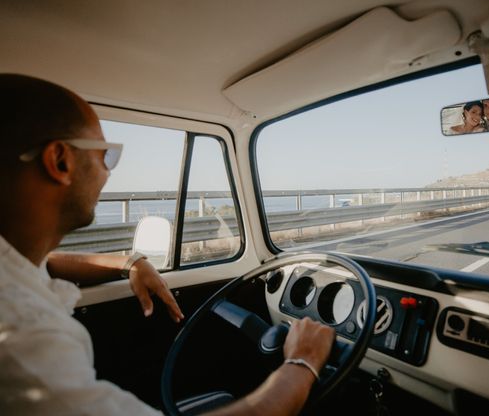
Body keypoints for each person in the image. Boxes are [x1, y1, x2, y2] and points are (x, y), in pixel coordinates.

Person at [0, 74, 335, 415]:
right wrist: (302, 362)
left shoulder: (12, 264)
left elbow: (49, 262)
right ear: (60, 161)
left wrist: (130, 263)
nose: (108, 172)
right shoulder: (22, 342)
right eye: (106, 155)